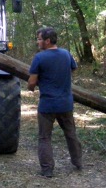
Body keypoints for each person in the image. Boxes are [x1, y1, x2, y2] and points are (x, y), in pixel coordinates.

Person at [27, 27, 82, 178]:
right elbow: (73, 69)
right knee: (70, 133)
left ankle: (47, 170)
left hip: (47, 105)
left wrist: (32, 86)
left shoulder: (39, 57)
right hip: (66, 103)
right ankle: (78, 162)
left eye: (39, 39)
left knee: (44, 137)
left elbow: (32, 83)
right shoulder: (66, 54)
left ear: (47, 41)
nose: (37, 42)